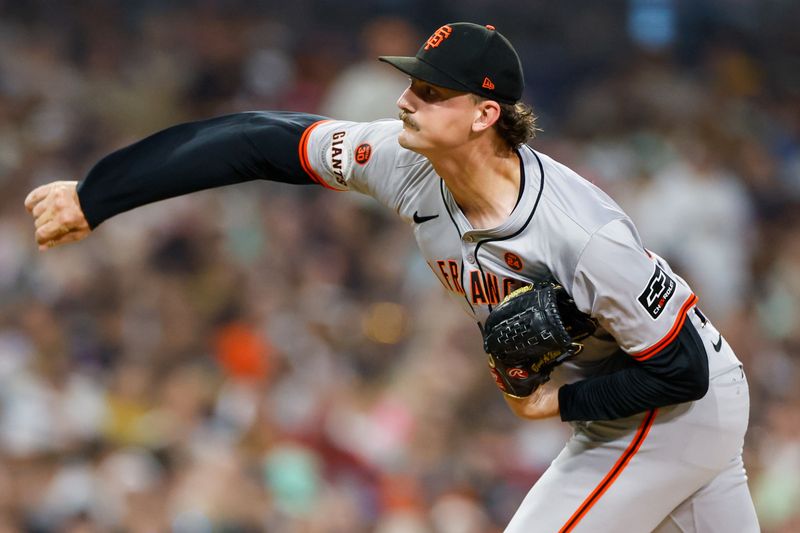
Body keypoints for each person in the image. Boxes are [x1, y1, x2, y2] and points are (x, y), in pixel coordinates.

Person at [25, 22, 759, 533]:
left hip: (670, 405)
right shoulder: (404, 160)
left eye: (432, 93)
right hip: (668, 394)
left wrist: (559, 406)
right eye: (415, 83)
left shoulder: (580, 233)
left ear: (484, 114)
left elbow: (682, 370)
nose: (408, 99)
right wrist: (99, 195)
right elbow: (255, 141)